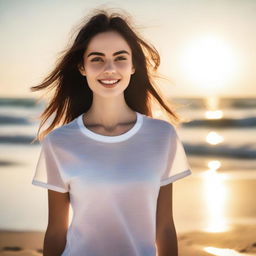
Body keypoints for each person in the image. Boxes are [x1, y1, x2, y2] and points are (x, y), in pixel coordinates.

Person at [31, 8, 192, 256]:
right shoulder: (59, 143)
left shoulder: (162, 136)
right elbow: (55, 231)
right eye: (96, 58)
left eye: (120, 58)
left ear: (133, 66)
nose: (109, 69)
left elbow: (165, 228)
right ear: (82, 67)